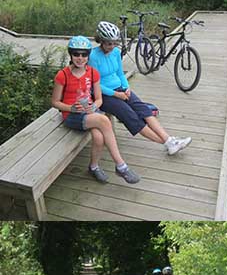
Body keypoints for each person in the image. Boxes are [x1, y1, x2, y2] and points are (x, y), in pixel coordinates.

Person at [91, 21, 192, 155]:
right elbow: (95, 85)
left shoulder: (115, 52)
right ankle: (168, 143)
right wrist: (116, 94)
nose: (112, 46)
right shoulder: (93, 56)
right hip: (104, 95)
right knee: (131, 116)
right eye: (109, 43)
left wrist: (126, 87)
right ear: (101, 40)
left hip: (121, 89)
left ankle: (169, 140)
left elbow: (120, 73)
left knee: (143, 109)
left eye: (115, 43)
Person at [51, 36, 140, 184]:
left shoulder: (93, 73)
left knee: (99, 138)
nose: (80, 58)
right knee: (104, 120)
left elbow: (98, 99)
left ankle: (93, 167)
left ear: (88, 55)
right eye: (76, 54)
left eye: (84, 54)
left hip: (90, 112)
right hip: (72, 115)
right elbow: (54, 102)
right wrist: (70, 108)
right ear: (71, 54)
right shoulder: (63, 75)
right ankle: (121, 165)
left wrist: (94, 106)